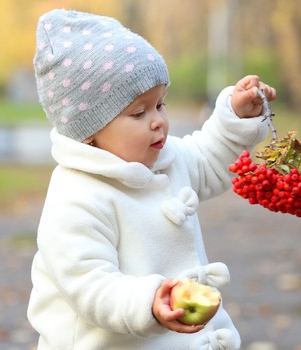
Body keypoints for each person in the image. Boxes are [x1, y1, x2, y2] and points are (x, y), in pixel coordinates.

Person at [28, 9, 276, 350]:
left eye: (161, 104)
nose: (158, 121)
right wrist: (146, 301)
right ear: (88, 132)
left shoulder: (163, 159)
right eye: (139, 112)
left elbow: (207, 158)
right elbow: (88, 284)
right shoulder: (76, 197)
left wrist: (235, 118)